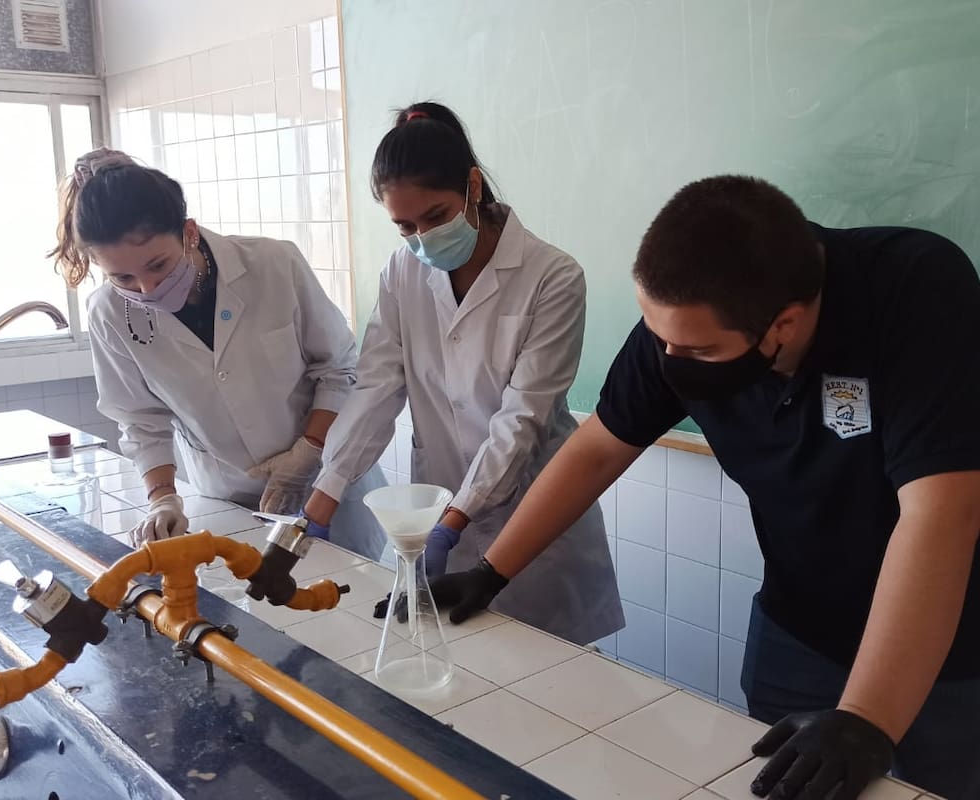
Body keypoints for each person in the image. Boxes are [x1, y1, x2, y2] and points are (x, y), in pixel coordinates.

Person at [429, 175, 980, 799]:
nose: (668, 360)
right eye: (659, 338)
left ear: (785, 325)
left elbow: (941, 513)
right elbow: (598, 447)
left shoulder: (916, 291)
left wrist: (866, 719)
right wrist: (492, 572)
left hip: (949, 648)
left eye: (696, 350)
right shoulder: (683, 318)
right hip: (798, 627)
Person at [301, 102, 623, 646]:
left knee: (545, 691)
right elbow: (377, 387)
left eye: (436, 216)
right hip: (442, 505)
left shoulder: (552, 275)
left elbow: (522, 417)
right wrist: (325, 491)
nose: (422, 238)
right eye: (404, 226)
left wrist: (455, 520)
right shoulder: (402, 271)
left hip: (531, 521)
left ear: (473, 186)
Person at [51, 147, 386, 558]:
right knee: (252, 611)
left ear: (188, 231)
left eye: (158, 265)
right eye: (122, 277)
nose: (146, 289)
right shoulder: (108, 313)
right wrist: (163, 498)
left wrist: (307, 453)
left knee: (348, 604)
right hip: (228, 497)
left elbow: (337, 368)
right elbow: (140, 419)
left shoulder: (273, 263)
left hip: (328, 481)